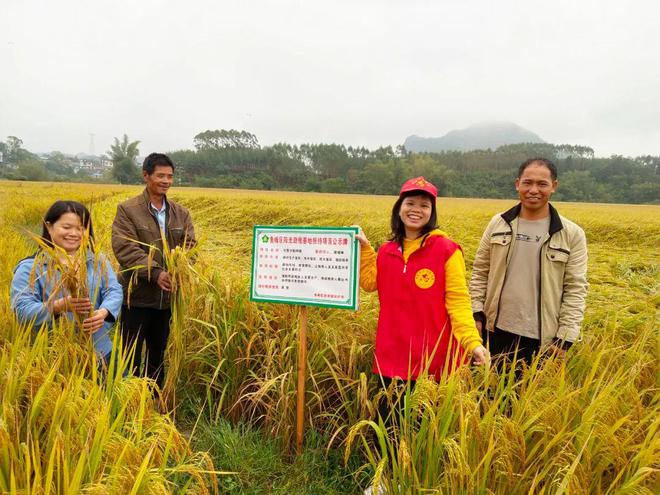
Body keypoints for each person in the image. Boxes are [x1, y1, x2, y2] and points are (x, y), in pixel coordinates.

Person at [356, 176, 489, 417]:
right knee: (389, 423)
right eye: (410, 203)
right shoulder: (387, 251)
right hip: (393, 354)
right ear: (399, 208)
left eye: (424, 205)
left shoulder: (447, 250)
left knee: (425, 427)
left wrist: (473, 343)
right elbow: (369, 283)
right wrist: (366, 250)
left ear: (432, 212)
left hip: (433, 360)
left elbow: (458, 302)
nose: (416, 210)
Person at [469, 158, 588, 366]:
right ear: (517, 184)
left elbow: (575, 288)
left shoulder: (571, 234)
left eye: (542, 184)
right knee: (485, 393)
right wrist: (476, 312)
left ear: (554, 187)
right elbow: (480, 271)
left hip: (541, 339)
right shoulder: (498, 223)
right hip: (493, 330)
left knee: (529, 396)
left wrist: (566, 336)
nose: (534, 190)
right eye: (527, 182)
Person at [111, 152, 196, 388]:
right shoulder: (128, 210)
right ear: (146, 175)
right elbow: (125, 248)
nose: (166, 181)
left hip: (167, 300)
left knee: (158, 354)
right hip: (136, 297)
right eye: (160, 175)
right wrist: (157, 273)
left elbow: (190, 247)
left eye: (170, 176)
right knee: (131, 354)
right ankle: (128, 400)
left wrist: (180, 271)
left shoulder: (181, 213)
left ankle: (154, 401)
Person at [10, 200, 123, 372]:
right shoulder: (30, 267)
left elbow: (113, 290)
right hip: (54, 359)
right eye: (67, 227)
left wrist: (104, 312)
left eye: (81, 228)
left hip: (101, 351)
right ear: (49, 227)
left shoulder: (97, 259)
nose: (74, 233)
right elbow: (21, 309)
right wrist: (58, 306)